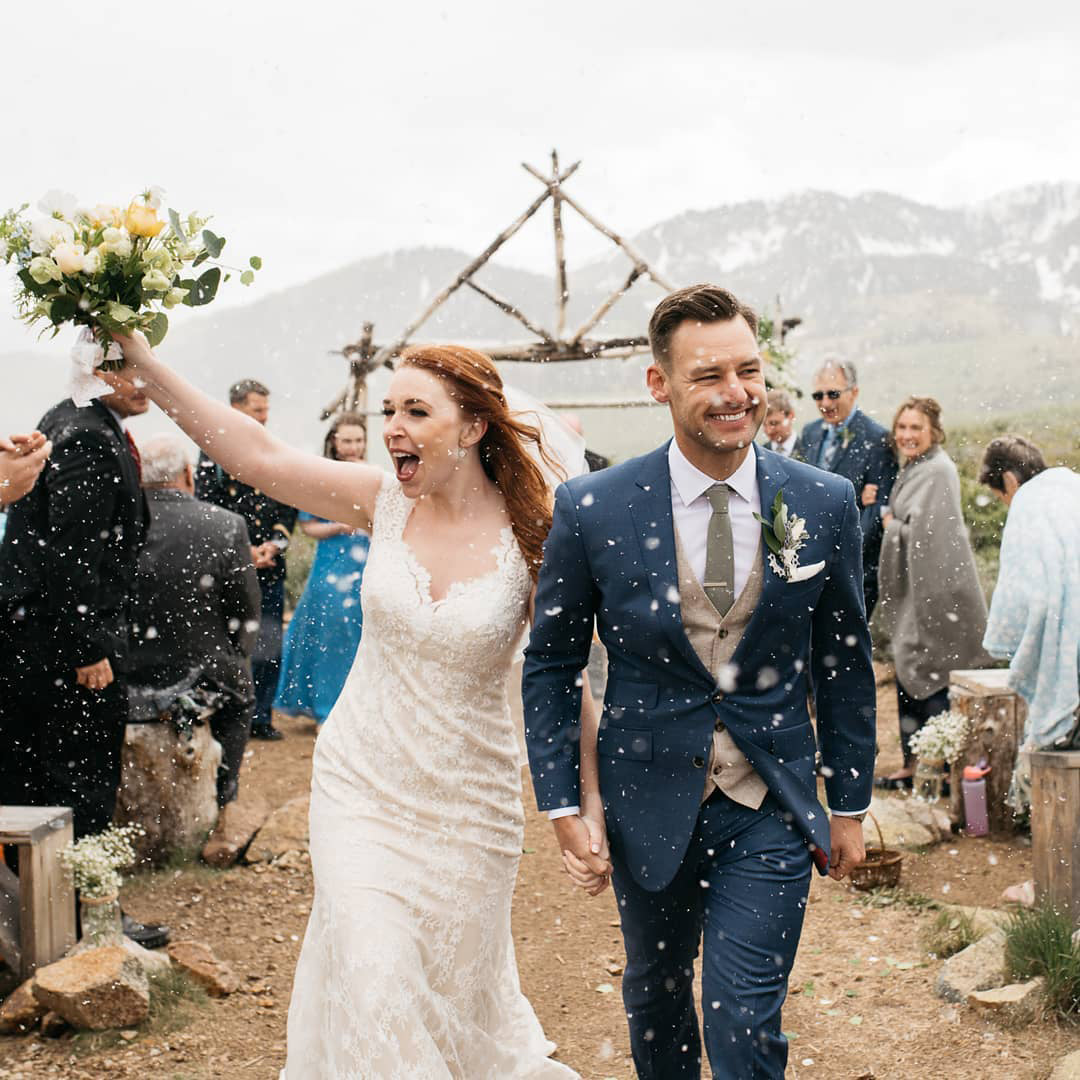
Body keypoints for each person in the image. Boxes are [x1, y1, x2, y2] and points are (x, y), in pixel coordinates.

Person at [109, 330, 583, 1078]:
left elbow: (562, 681)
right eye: (387, 408)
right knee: (375, 971)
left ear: (472, 426)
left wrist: (578, 806)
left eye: (416, 411)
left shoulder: (537, 536)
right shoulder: (381, 501)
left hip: (472, 806)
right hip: (360, 784)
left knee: (452, 993)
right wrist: (146, 366)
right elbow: (256, 458)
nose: (394, 426)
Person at [524, 284, 876, 1080]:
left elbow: (844, 660)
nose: (735, 394)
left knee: (743, 1018)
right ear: (660, 385)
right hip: (645, 795)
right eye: (709, 375)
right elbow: (552, 661)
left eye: (748, 371)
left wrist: (847, 802)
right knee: (655, 999)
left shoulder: (818, 502)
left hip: (770, 801)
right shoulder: (593, 507)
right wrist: (562, 803)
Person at [0, 375, 168, 948]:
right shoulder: (88, 437)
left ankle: (44, 918)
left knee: (38, 780)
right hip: (61, 648)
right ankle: (90, 916)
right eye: (127, 369)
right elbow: (71, 551)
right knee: (83, 781)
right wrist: (86, 649)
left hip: (33, 640)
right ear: (90, 368)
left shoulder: (69, 418)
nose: (145, 383)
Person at [128, 434, 262, 807]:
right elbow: (246, 605)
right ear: (188, 474)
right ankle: (223, 792)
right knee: (241, 700)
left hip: (124, 666)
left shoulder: (118, 521)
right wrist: (238, 651)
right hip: (201, 667)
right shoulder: (225, 525)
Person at [874, 397, 991, 789]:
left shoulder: (938, 471)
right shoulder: (916, 467)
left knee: (933, 671)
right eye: (902, 427)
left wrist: (890, 524)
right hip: (917, 587)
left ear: (934, 432)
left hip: (937, 589)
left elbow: (927, 538)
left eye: (915, 428)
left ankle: (937, 767)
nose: (907, 435)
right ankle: (916, 764)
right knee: (913, 668)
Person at [979, 436, 1080, 805]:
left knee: (1058, 719)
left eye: (1000, 495)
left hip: (1068, 634)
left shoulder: (1028, 504)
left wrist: (1003, 641)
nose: (1005, 504)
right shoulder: (1072, 486)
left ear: (1007, 480)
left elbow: (1018, 592)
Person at [195, 378, 297, 741]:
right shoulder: (212, 451)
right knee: (226, 643)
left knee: (268, 645)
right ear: (236, 408)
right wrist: (243, 552)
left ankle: (261, 717)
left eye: (267, 410)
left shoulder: (273, 447)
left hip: (270, 570)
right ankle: (226, 712)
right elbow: (208, 507)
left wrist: (274, 546)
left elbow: (288, 503)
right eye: (258, 410)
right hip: (228, 570)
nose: (265, 417)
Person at [274, 413, 371, 725]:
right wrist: (340, 527)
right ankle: (323, 705)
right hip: (330, 563)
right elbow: (308, 526)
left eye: (358, 440)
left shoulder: (372, 474)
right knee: (326, 631)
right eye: (347, 440)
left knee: (358, 631)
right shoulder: (321, 476)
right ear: (334, 441)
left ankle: (357, 706)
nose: (353, 446)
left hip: (366, 562)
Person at [794, 358, 896, 615]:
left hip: (856, 567)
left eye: (833, 394)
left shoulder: (877, 438)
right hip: (809, 563)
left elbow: (877, 511)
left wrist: (840, 555)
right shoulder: (810, 433)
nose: (825, 403)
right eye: (818, 395)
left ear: (854, 392)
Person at [761, 387, 797, 456]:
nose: (769, 431)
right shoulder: (760, 453)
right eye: (764, 424)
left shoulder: (811, 451)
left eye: (774, 423)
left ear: (791, 415)